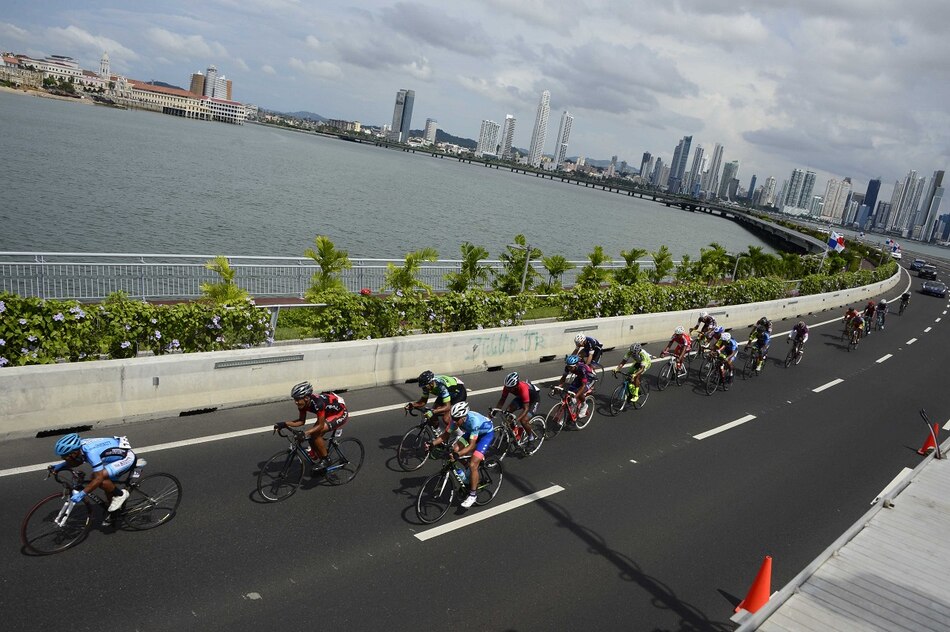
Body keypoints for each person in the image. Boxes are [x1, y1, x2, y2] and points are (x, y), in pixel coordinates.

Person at [429, 402, 494, 509]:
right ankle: (468, 473)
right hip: (471, 432)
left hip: (485, 435)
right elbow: (445, 435)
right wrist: (432, 444)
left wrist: (457, 455)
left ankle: (472, 495)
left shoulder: (474, 422)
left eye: (456, 419)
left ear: (463, 417)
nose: (454, 421)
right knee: (455, 448)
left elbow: (472, 445)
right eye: (453, 418)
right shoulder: (456, 420)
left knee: (473, 464)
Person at [49, 433, 134, 513]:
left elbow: (98, 478)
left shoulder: (91, 452)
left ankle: (121, 495)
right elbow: (78, 461)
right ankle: (115, 512)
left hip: (126, 458)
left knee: (97, 478)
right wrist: (59, 466)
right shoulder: (79, 448)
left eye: (64, 456)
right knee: (106, 485)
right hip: (117, 455)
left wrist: (82, 494)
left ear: (74, 453)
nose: (63, 458)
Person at [276, 381, 349, 471]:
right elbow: (301, 421)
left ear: (306, 398)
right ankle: (321, 460)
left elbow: (321, 426)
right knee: (312, 436)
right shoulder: (302, 404)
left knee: (316, 434)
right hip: (328, 413)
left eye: (297, 399)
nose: (296, 402)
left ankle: (326, 460)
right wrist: (284, 424)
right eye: (294, 399)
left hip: (340, 413)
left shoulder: (318, 404)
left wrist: (305, 433)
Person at [492, 371, 540, 443]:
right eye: (507, 388)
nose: (508, 389)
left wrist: (517, 419)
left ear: (516, 385)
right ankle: (513, 432)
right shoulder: (507, 387)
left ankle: (531, 438)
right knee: (508, 411)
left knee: (523, 420)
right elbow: (502, 400)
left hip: (533, 400)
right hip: (521, 398)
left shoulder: (523, 388)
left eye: (510, 388)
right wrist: (494, 411)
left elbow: (526, 408)